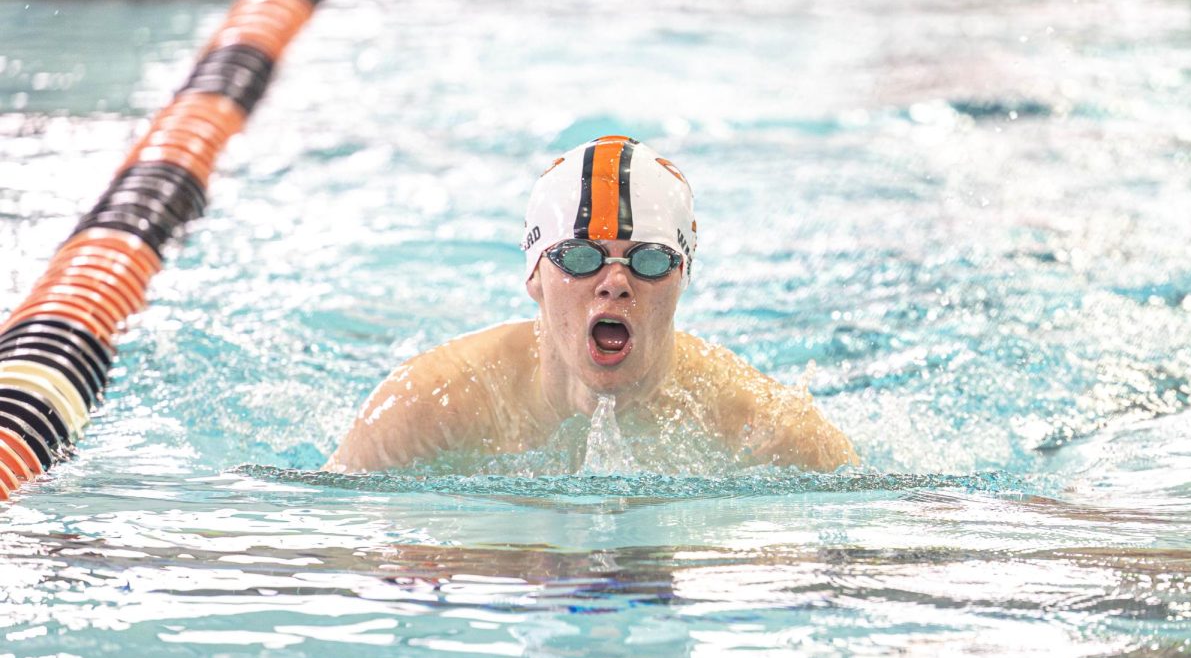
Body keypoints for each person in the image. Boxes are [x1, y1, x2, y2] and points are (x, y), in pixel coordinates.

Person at [323, 135, 858, 473]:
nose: (615, 283)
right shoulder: (431, 404)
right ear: (535, 274)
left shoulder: (764, 426)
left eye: (649, 260)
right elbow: (327, 542)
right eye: (580, 257)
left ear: (682, 278)